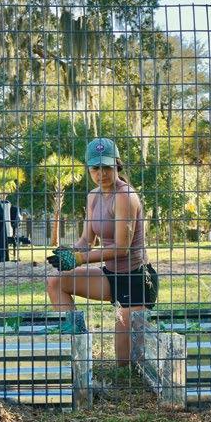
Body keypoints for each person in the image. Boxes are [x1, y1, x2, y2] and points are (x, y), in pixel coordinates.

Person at [46, 138, 159, 366]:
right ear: (89, 169)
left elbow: (121, 248)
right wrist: (69, 253)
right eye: (95, 168)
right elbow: (87, 240)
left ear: (117, 164)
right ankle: (79, 346)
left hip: (136, 280)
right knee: (55, 281)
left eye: (107, 167)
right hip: (110, 276)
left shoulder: (125, 196)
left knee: (124, 364)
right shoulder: (93, 196)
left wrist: (79, 259)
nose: (101, 173)